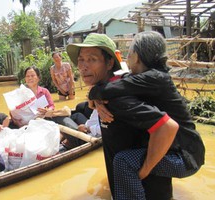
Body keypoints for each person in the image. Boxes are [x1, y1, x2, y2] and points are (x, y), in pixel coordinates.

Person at [84, 31, 205, 199]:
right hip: (185, 151)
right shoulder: (152, 77)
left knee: (124, 161)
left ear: (138, 57)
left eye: (130, 54)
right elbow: (121, 82)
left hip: (184, 156)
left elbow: (115, 87)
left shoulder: (154, 78)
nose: (126, 60)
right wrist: (96, 98)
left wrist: (146, 168)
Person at [67, 32, 177, 200]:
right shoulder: (105, 94)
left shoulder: (118, 99)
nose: (83, 66)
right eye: (81, 59)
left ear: (110, 62)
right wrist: (94, 98)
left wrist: (144, 170)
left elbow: (167, 127)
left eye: (92, 59)